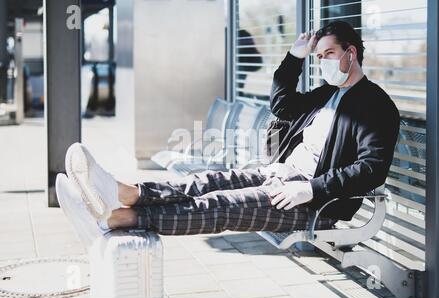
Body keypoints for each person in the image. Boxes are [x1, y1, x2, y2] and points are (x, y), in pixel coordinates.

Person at [56, 21, 400, 246]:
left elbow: (370, 169)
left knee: (220, 206)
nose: (322, 62)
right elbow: (282, 105)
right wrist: (295, 57)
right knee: (205, 183)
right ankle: (121, 191)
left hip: (314, 201)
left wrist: (309, 189)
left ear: (350, 54)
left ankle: (114, 219)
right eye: (319, 55)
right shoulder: (328, 93)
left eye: (329, 54)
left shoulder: (375, 105)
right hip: (281, 176)